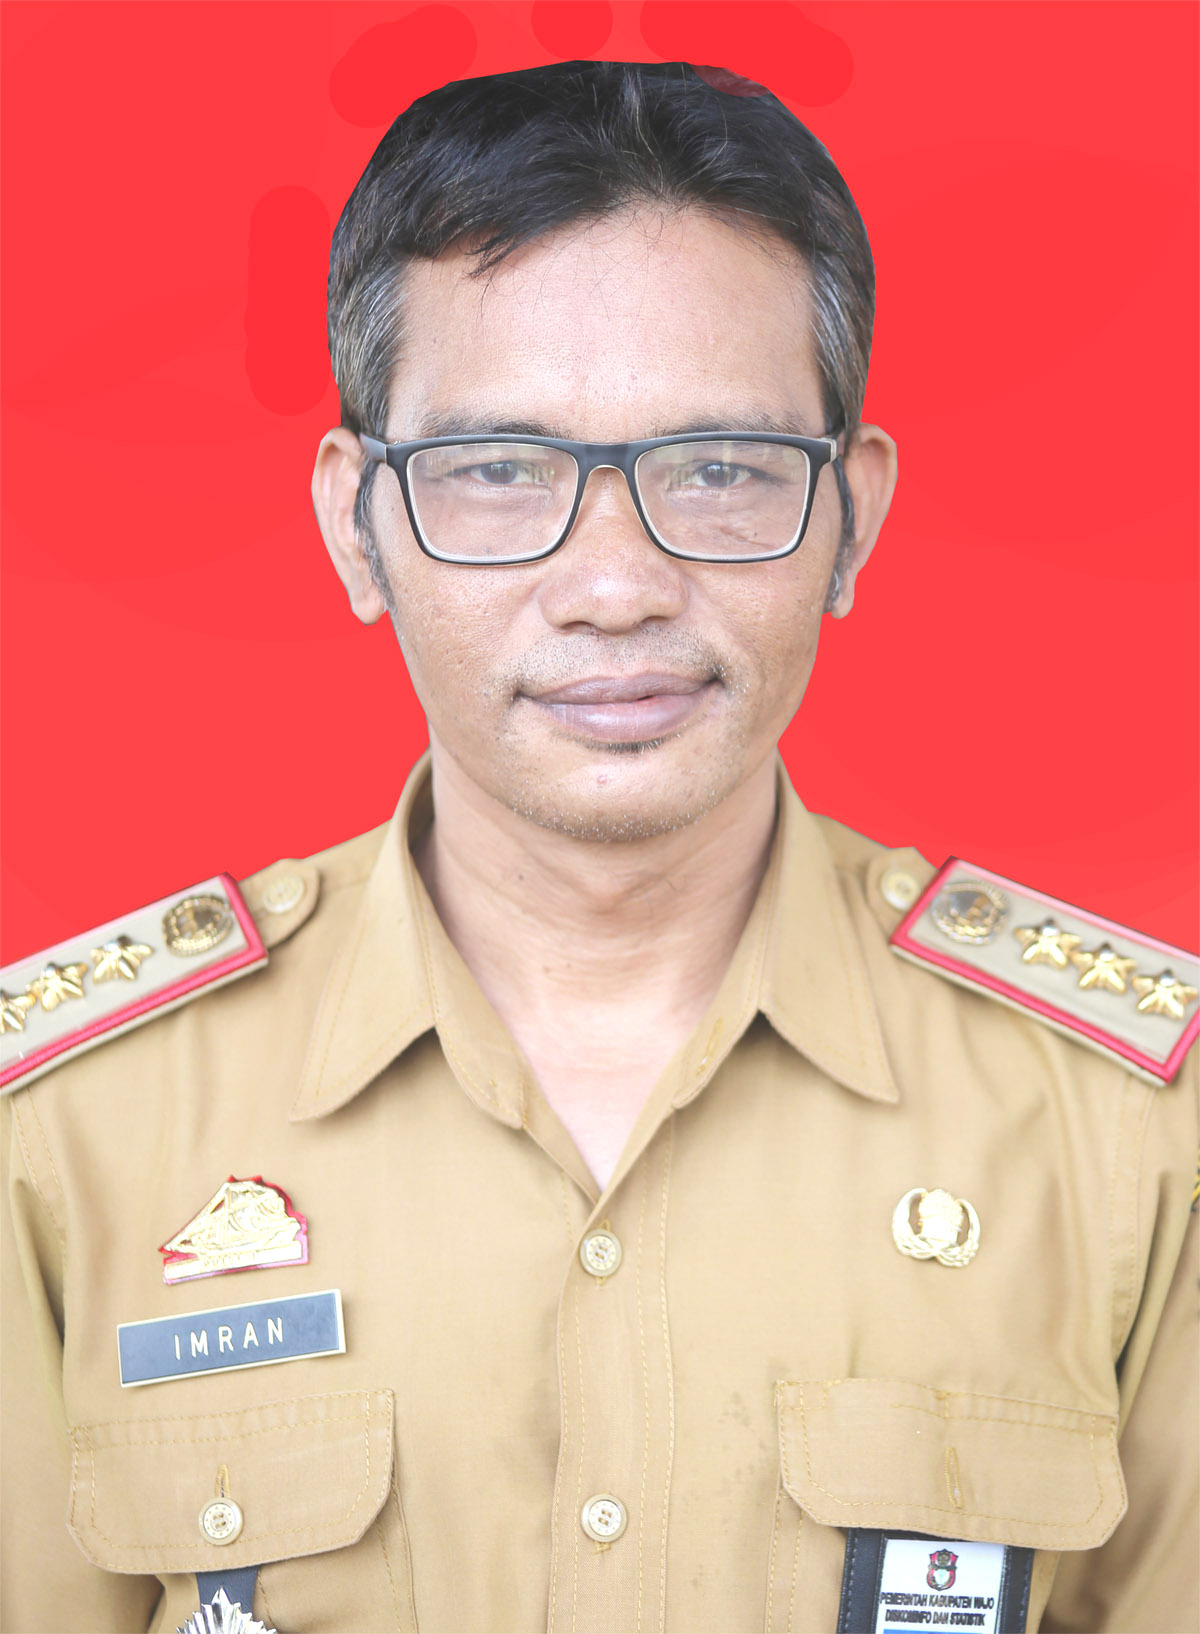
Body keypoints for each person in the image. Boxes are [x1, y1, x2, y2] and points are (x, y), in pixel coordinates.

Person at [1, 60, 1195, 1634]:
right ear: (357, 525)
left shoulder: (1129, 1124)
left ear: (852, 517)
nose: (616, 585)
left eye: (720, 467)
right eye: (500, 471)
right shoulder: (69, 1126)